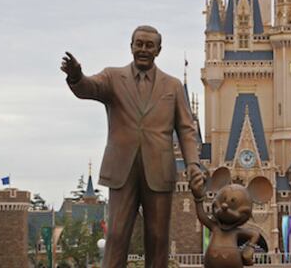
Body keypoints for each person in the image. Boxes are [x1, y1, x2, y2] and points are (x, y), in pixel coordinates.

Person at [61, 25, 204, 268]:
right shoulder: (113, 78)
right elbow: (88, 87)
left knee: (158, 239)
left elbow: (187, 129)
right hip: (122, 171)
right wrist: (76, 76)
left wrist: (193, 164)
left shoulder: (173, 86)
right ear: (131, 46)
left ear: (159, 50)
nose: (143, 49)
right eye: (139, 44)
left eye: (149, 45)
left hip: (159, 171)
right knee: (116, 236)